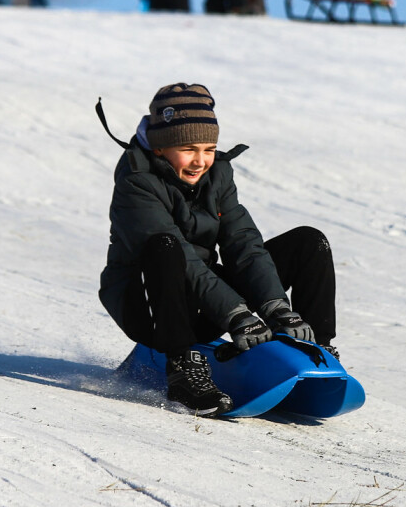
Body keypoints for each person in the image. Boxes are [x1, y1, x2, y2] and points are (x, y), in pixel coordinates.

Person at [99, 83, 338, 416]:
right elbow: (181, 256)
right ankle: (183, 367)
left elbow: (244, 244)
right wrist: (236, 315)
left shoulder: (218, 174)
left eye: (209, 148)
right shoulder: (136, 181)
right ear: (158, 148)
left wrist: (275, 307)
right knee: (165, 246)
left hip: (204, 300)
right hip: (148, 305)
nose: (201, 161)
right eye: (188, 149)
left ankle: (316, 352)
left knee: (308, 242)